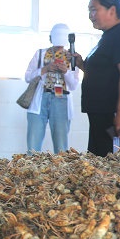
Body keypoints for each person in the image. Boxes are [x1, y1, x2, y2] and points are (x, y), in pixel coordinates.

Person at [74, 0, 120, 157]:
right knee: (98, 161)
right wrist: (81, 64)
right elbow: (104, 74)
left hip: (113, 116)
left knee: (113, 164)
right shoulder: (109, 36)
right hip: (101, 115)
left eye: (94, 9)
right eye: (89, 10)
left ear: (111, 10)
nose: (90, 15)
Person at [24, 23, 80, 153]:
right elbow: (28, 77)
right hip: (40, 98)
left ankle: (59, 166)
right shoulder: (40, 54)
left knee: (61, 147)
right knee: (33, 145)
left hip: (62, 99)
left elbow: (73, 85)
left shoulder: (72, 58)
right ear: (50, 38)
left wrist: (65, 72)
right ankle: (31, 165)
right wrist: (45, 69)